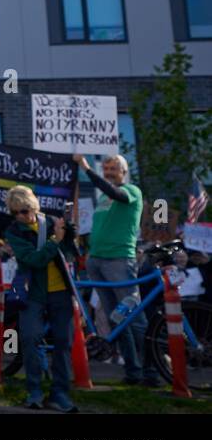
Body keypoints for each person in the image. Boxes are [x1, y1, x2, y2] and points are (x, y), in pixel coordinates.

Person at [74, 153, 153, 387]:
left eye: (113, 168)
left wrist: (87, 169)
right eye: (106, 168)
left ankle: (150, 371)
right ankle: (133, 371)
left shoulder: (132, 191)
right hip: (97, 262)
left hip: (119, 261)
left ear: (124, 171)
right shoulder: (102, 201)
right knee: (117, 319)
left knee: (134, 318)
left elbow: (114, 192)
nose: (108, 171)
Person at [4, 185, 79, 412]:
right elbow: (34, 260)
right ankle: (34, 391)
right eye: (17, 212)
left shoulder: (52, 222)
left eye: (26, 210)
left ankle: (60, 394)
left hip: (61, 291)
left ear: (33, 206)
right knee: (29, 338)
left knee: (63, 342)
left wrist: (70, 236)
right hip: (33, 293)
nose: (23, 216)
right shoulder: (13, 232)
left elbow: (70, 254)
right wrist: (55, 240)